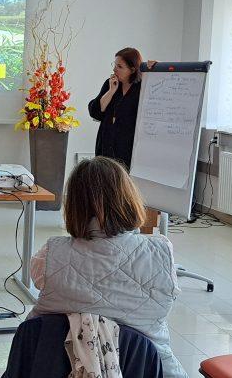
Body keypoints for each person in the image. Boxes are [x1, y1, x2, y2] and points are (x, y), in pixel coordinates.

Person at [29, 157, 186, 378]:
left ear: (74, 205)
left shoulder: (50, 255)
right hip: (145, 368)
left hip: (54, 366)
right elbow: (166, 299)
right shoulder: (161, 253)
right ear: (129, 199)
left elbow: (40, 281)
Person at [88, 47, 154, 170]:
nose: (114, 69)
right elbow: (95, 112)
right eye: (114, 65)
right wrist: (111, 91)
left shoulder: (143, 87)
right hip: (105, 148)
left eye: (119, 66)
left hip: (128, 151)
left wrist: (156, 68)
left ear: (132, 69)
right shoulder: (110, 83)